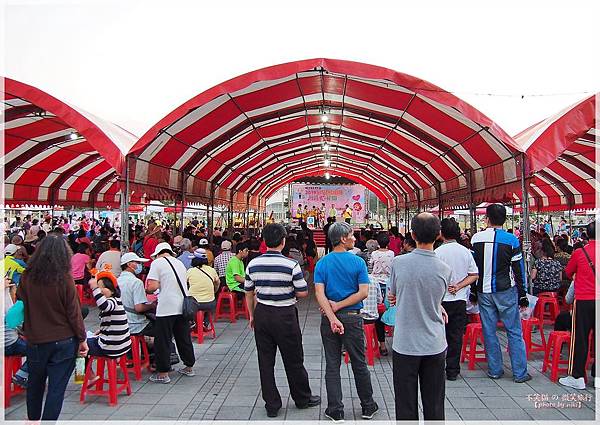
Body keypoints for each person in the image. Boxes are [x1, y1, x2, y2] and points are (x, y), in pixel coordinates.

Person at [245, 224, 321, 417]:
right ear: (283, 241)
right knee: (293, 358)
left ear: (264, 241)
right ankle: (302, 398)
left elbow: (249, 291)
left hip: (262, 313)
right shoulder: (291, 265)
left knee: (265, 361)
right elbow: (303, 291)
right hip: (285, 315)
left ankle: (272, 404)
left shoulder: (253, 264)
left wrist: (252, 315)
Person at [16, 234, 88, 421]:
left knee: (35, 384)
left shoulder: (27, 277)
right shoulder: (64, 278)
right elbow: (74, 313)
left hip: (36, 340)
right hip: (64, 340)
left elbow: (21, 303)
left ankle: (32, 421)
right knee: (56, 389)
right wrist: (82, 338)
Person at [388, 213, 451, 420]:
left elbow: (393, 294)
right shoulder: (445, 269)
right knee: (434, 405)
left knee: (405, 405)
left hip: (405, 343)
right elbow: (436, 299)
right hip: (434, 343)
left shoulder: (399, 263)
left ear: (413, 235)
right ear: (438, 235)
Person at [314, 222, 378, 422]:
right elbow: (363, 292)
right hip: (352, 319)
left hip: (329, 320)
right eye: (351, 235)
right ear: (342, 239)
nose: (354, 238)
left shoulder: (322, 263)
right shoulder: (358, 262)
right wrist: (340, 307)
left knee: (332, 365)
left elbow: (319, 293)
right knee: (359, 362)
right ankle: (368, 406)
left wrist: (332, 314)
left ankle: (335, 409)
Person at [470, 204, 531, 383]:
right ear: (504, 220)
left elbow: (473, 269)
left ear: (487, 218)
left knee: (489, 331)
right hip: (506, 291)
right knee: (513, 331)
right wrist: (523, 294)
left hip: (484, 291)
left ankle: (495, 370)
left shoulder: (476, 239)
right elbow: (519, 270)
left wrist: (473, 292)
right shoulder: (512, 240)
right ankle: (520, 373)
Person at [435, 218, 479, 381]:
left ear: (441, 233)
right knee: (455, 336)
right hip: (459, 300)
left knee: (439, 335)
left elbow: (433, 276)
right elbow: (474, 274)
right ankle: (452, 370)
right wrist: (459, 286)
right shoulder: (465, 251)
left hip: (440, 301)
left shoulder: (437, 252)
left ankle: (437, 367)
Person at [146, 242, 195, 383]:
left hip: (166, 307)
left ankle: (163, 373)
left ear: (157, 254)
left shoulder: (157, 263)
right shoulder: (179, 262)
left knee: (163, 340)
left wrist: (148, 290)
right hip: (182, 306)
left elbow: (153, 286)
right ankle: (189, 366)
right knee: (183, 337)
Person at [559, 220, 598, 390]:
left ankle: (577, 376)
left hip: (583, 300)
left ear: (586, 235)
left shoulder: (580, 252)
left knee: (580, 339)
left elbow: (567, 273)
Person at [86, 269, 132, 362]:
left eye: (103, 287)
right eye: (99, 288)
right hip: (122, 346)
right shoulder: (117, 301)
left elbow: (104, 306)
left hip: (111, 348)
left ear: (112, 290)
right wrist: (102, 330)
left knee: (80, 345)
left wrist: (95, 288)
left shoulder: (112, 302)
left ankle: (88, 374)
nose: (101, 290)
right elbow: (112, 323)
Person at [117, 252, 155, 336]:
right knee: (162, 331)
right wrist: (152, 305)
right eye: (137, 262)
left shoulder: (117, 280)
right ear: (129, 264)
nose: (140, 265)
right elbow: (139, 308)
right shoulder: (136, 282)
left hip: (121, 323)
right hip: (135, 324)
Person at [186, 248, 220, 328]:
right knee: (210, 305)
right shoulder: (212, 270)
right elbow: (217, 284)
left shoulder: (190, 271)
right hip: (209, 303)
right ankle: (205, 322)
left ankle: (192, 321)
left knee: (187, 304)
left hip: (194, 304)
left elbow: (184, 283)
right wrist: (213, 292)